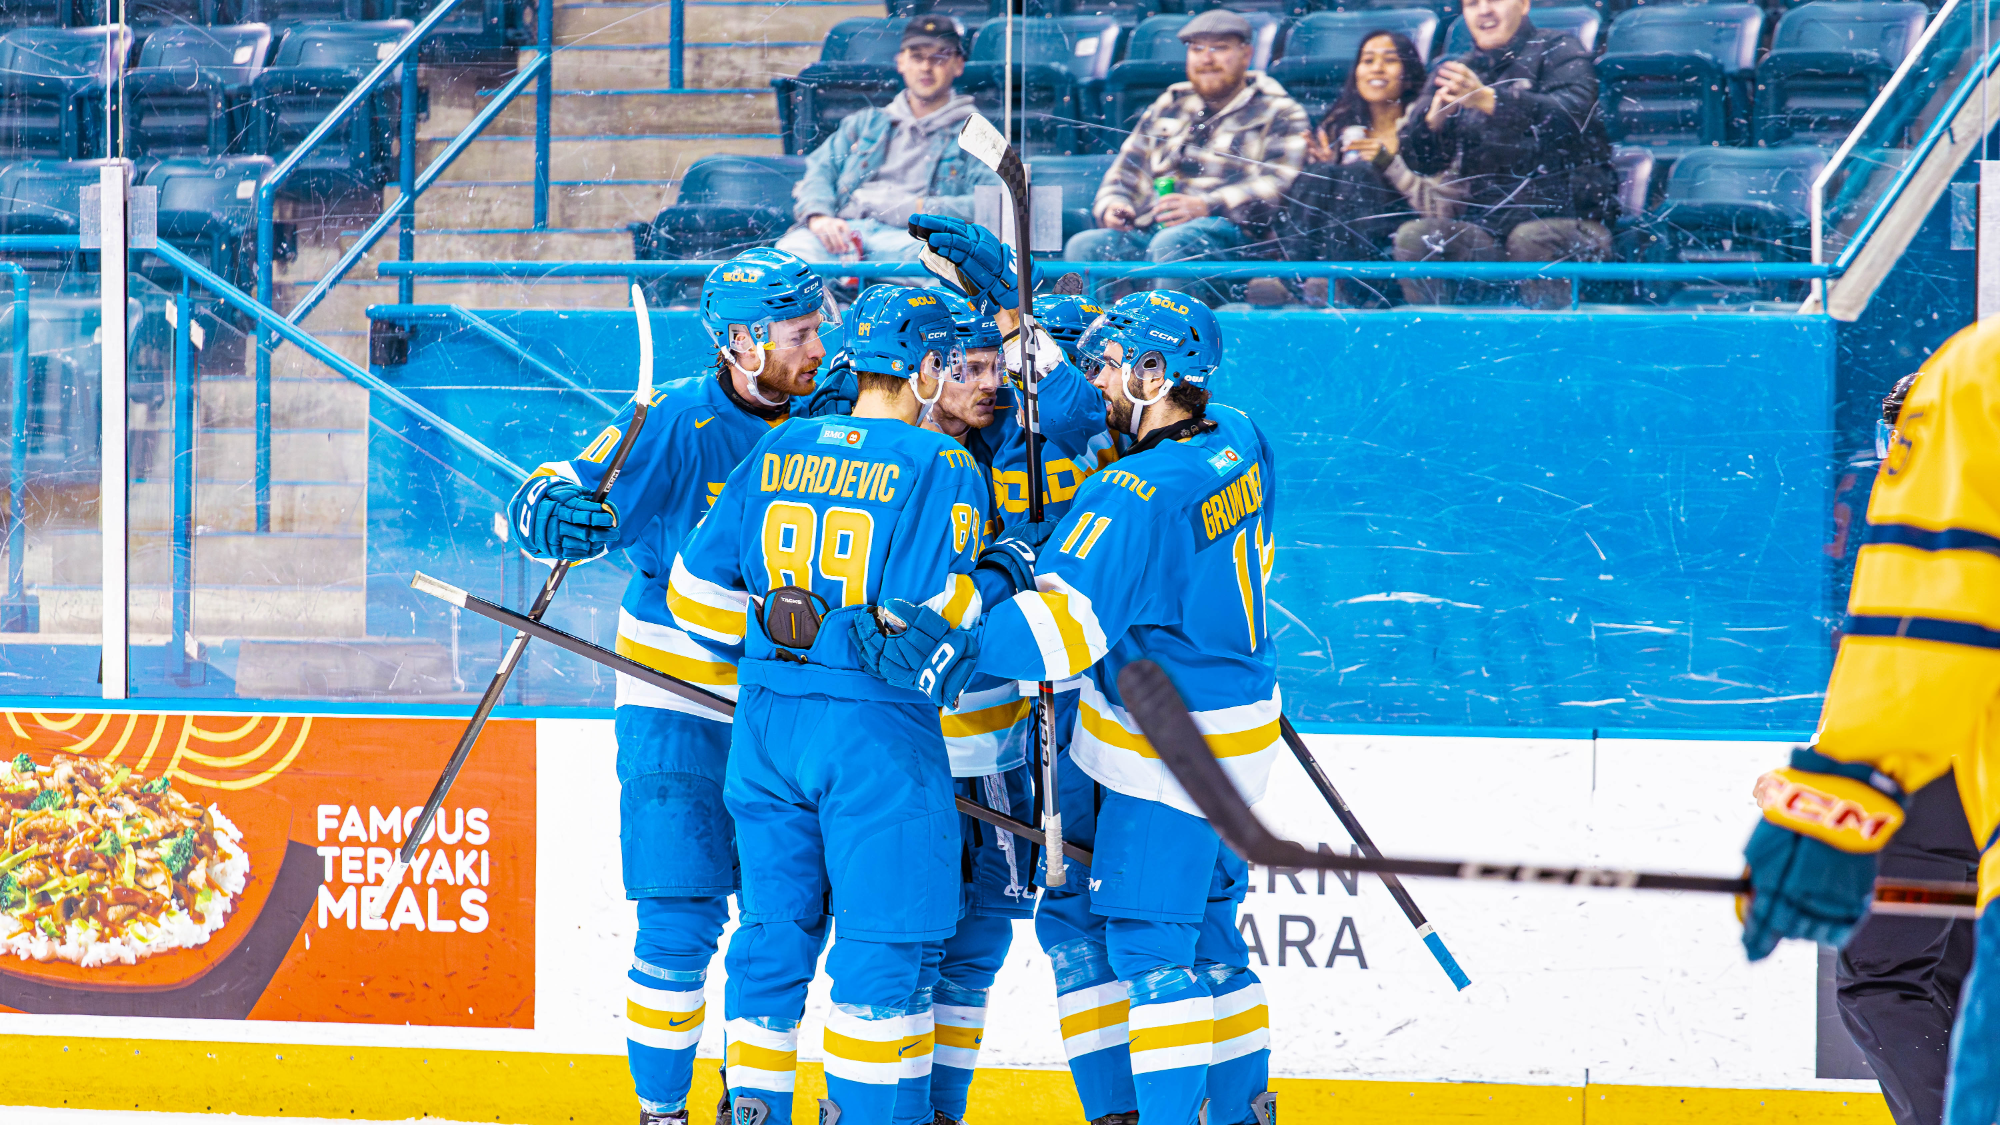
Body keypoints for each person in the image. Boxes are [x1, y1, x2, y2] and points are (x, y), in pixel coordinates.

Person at [849, 289, 1279, 1125]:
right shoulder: (1240, 435)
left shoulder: (1137, 491)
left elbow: (1064, 631)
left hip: (1166, 747)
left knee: (1153, 946)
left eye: (1113, 365)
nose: (1099, 379)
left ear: (1156, 375)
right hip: (1231, 719)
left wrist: (960, 644)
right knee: (1181, 931)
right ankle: (1231, 1110)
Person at [502, 247, 837, 1125]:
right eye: (800, 332)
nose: (819, 344)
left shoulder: (839, 413)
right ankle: (660, 1113)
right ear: (741, 341)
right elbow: (562, 487)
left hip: (788, 707)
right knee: (680, 921)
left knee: (782, 924)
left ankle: (751, 1103)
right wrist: (543, 512)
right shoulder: (676, 422)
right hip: (676, 702)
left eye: (818, 326)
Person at [666, 283, 991, 1125]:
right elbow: (928, 619)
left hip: (767, 724)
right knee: (884, 958)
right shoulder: (943, 465)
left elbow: (694, 600)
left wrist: (788, 630)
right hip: (874, 735)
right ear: (925, 366)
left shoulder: (778, 448)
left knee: (771, 945)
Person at [1729, 318, 1998, 1125]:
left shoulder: (1978, 378)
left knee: (1888, 979)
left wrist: (1840, 788)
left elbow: (1929, 619)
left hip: (1946, 769)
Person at [1064, 9, 1310, 306]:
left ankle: (1169, 345)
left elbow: (1281, 183)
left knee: (1173, 242)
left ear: (1247, 54)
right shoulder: (1169, 104)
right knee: (1086, 245)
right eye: (1197, 49)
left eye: (1219, 48)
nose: (1206, 59)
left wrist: (1206, 205)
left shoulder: (1279, 110)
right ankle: (1089, 343)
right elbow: (1125, 172)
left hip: (1236, 238)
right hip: (1155, 230)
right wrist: (1115, 206)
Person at [1393, 0, 1619, 308]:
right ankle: (1438, 341)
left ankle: (1552, 345)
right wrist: (1432, 123)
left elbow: (1574, 117)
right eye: (1472, 3)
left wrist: (1491, 100)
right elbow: (1421, 163)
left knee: (1530, 239)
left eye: (1494, 0)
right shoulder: (1458, 70)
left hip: (1575, 224)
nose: (1484, 10)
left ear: (1524, 4)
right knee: (1416, 236)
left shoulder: (1561, 49)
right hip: (1491, 232)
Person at [776, 15, 1002, 265]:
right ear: (901, 62)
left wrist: (915, 207)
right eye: (917, 57)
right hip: (847, 234)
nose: (926, 67)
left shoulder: (976, 133)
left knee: (942, 265)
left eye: (939, 57)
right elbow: (819, 173)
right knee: (789, 257)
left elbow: (991, 203)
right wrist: (819, 217)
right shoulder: (864, 123)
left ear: (958, 65)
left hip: (914, 241)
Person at [1277, 31, 1462, 307]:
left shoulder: (1429, 128)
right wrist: (1327, 168)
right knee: (1318, 175)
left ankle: (1343, 286)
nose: (1376, 68)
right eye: (1368, 60)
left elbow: (1440, 210)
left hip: (1394, 245)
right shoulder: (1340, 126)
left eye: (1389, 60)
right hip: (1340, 245)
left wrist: (1387, 162)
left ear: (1408, 72)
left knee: (1358, 174)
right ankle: (1295, 281)